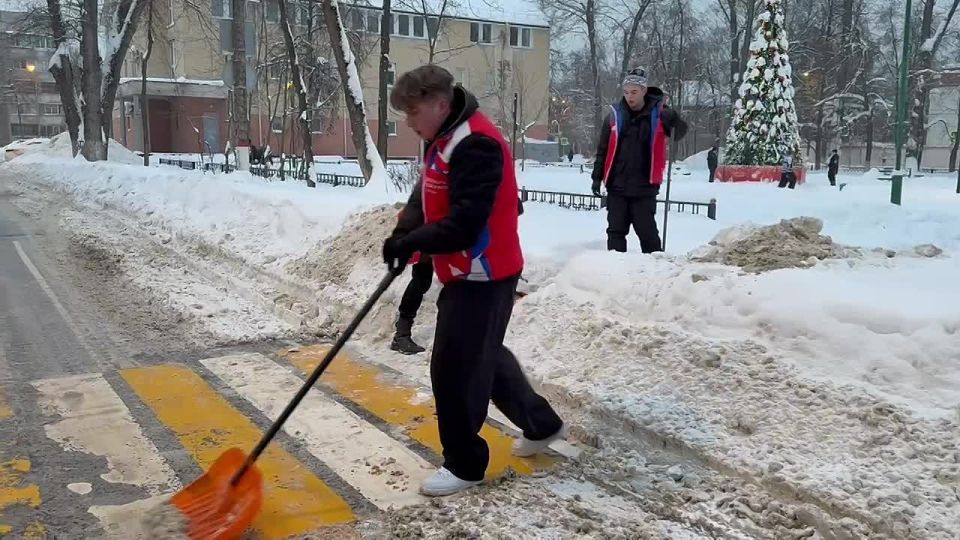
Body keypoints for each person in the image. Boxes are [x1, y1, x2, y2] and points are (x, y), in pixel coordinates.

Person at [382, 65, 565, 497]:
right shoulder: (442, 139)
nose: (407, 121)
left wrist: (418, 240)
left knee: (455, 367)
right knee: (480, 354)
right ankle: (543, 425)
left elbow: (465, 223)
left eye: (412, 111)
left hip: (485, 273)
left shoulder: (476, 144)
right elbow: (424, 194)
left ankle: (465, 464)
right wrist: (404, 233)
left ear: (440, 104)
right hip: (469, 271)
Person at [591, 67, 688, 253]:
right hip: (617, 186)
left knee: (648, 233)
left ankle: (655, 272)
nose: (630, 96)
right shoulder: (614, 116)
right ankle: (616, 272)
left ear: (644, 91)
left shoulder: (659, 114)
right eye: (626, 92)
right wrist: (597, 178)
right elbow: (602, 150)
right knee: (615, 232)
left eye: (634, 92)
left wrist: (674, 120)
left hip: (644, 187)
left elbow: (680, 133)